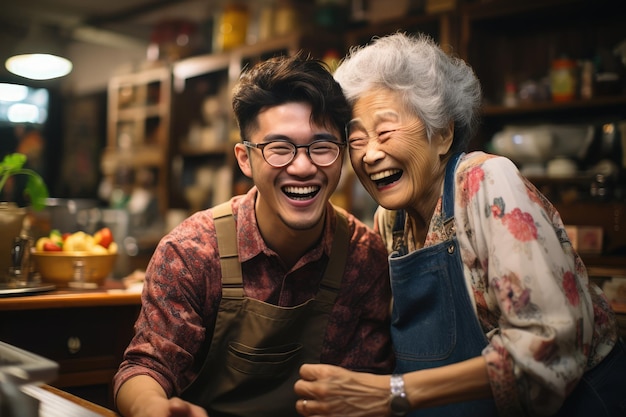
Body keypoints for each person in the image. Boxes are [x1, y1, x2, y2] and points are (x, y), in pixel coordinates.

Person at [293, 32, 626, 417]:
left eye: (385, 132)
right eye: (356, 139)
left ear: (444, 133)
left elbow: (550, 343)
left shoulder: (486, 183)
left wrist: (396, 392)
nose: (370, 154)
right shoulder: (390, 221)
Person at [113, 53, 394, 417]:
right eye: (280, 149)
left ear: (341, 155)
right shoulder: (191, 252)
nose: (303, 166)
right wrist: (152, 408)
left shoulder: (364, 256)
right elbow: (146, 366)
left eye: (322, 148)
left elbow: (367, 386)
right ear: (245, 159)